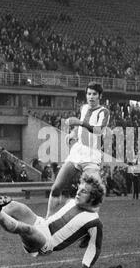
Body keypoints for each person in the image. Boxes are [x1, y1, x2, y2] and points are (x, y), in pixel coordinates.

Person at [0, 172, 105, 268]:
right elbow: (56, 217)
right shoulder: (72, 202)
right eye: (79, 188)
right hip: (42, 224)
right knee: (13, 206)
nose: (78, 192)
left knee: (25, 229)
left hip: (46, 244)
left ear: (93, 198)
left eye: (84, 191)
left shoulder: (94, 221)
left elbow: (94, 246)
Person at [46, 82, 110, 218]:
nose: (91, 97)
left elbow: (98, 130)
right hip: (77, 151)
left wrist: (79, 123)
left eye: (94, 94)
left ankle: (92, 226)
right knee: (56, 188)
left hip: (92, 155)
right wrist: (74, 133)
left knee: (93, 194)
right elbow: (81, 125)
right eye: (89, 93)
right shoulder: (84, 108)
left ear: (100, 96)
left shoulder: (104, 112)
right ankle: (48, 219)